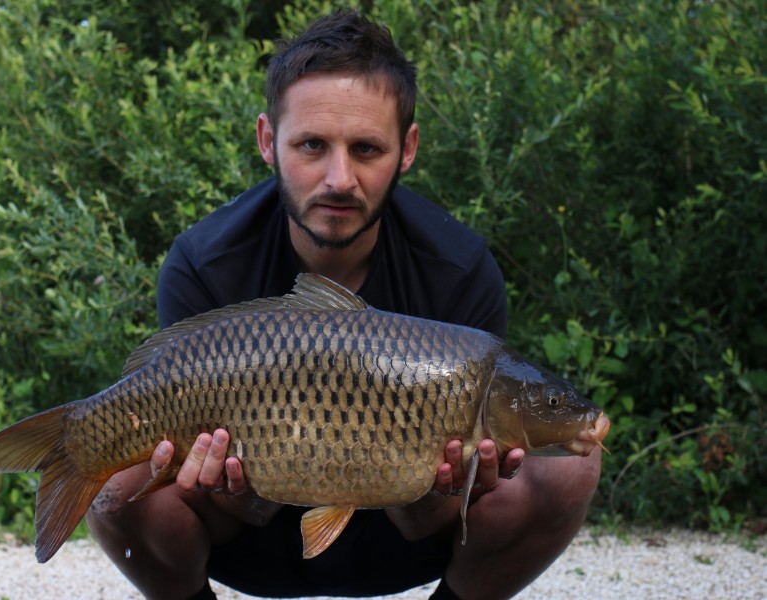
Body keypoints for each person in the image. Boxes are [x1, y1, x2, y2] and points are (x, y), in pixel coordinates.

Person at [85, 10, 602, 600]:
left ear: (406, 149)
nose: (339, 177)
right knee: (113, 480)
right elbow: (228, 511)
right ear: (266, 141)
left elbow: (429, 518)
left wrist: (441, 485)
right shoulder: (204, 264)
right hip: (251, 533)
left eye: (365, 148)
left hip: (409, 537)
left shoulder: (460, 271)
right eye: (311, 145)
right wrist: (222, 483)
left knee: (570, 468)